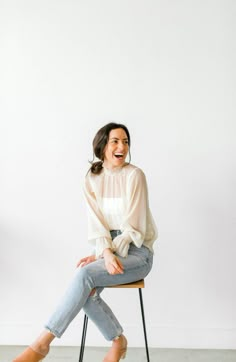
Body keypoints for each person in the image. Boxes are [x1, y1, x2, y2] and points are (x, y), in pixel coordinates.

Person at [13, 122, 158, 362]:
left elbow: (134, 226)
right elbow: (96, 223)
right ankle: (118, 341)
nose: (122, 146)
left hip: (137, 252)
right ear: (103, 146)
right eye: (115, 141)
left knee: (83, 278)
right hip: (109, 249)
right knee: (84, 287)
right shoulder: (93, 177)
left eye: (126, 141)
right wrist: (104, 252)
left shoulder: (135, 176)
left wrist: (108, 254)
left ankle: (42, 344)